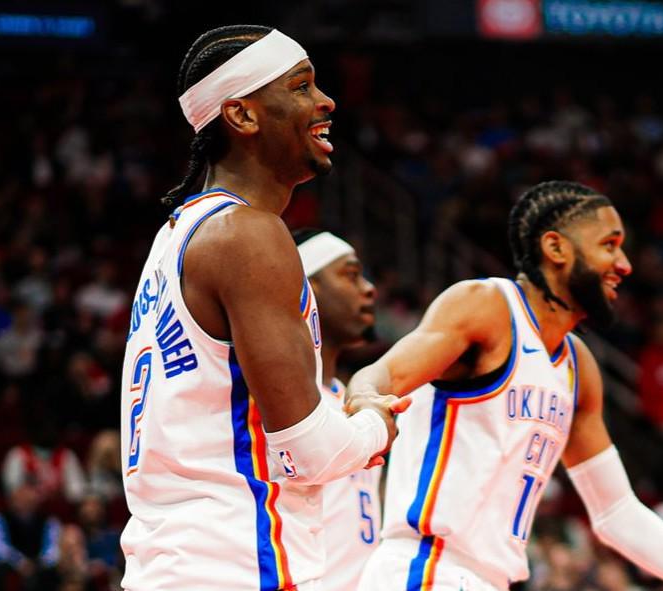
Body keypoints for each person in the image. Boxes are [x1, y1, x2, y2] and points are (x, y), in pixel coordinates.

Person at [348, 181, 663, 590]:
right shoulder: (486, 306)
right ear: (556, 248)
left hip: (489, 580)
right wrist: (365, 402)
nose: (624, 264)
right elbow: (382, 376)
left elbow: (616, 511)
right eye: (609, 245)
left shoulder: (578, 367)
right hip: (427, 567)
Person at [119, 25, 402, 590]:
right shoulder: (247, 234)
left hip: (172, 564)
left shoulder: (176, 236)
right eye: (300, 87)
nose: (326, 101)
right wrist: (376, 420)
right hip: (239, 563)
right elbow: (311, 453)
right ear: (242, 115)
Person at [294, 229, 381, 591]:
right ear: (307, 289)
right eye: (351, 275)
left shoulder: (352, 398)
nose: (369, 289)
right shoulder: (281, 404)